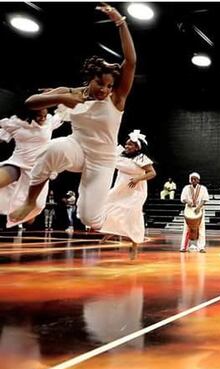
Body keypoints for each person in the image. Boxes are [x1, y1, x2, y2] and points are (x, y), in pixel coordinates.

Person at [9, 4, 137, 231]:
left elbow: (131, 61)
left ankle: (114, 222)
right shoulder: (72, 93)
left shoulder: (116, 99)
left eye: (109, 86)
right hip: (77, 147)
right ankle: (30, 201)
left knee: (88, 218)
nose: (104, 90)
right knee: (52, 149)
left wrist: (120, 22)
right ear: (90, 78)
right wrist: (63, 99)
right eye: (100, 83)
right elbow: (30, 103)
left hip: (102, 159)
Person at [0, 107, 63, 227]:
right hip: (17, 164)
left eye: (45, 115)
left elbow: (64, 111)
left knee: (31, 216)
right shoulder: (16, 124)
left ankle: (23, 218)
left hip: (38, 170)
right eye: (40, 116)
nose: (43, 119)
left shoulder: (49, 122)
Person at [100, 130, 156, 258]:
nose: (127, 146)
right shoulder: (119, 155)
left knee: (133, 216)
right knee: (109, 207)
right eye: (126, 144)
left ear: (137, 147)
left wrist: (138, 179)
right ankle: (111, 231)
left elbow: (152, 173)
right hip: (120, 188)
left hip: (136, 191)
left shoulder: (141, 158)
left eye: (130, 144)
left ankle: (134, 247)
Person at [180, 172, 210, 252]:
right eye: (192, 179)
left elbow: (205, 199)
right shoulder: (186, 188)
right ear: (190, 180)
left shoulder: (203, 188)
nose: (193, 180)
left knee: (201, 229)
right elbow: (182, 198)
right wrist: (188, 202)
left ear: (198, 180)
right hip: (188, 210)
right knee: (186, 229)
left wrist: (199, 207)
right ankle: (183, 247)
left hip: (199, 210)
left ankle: (201, 247)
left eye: (195, 179)